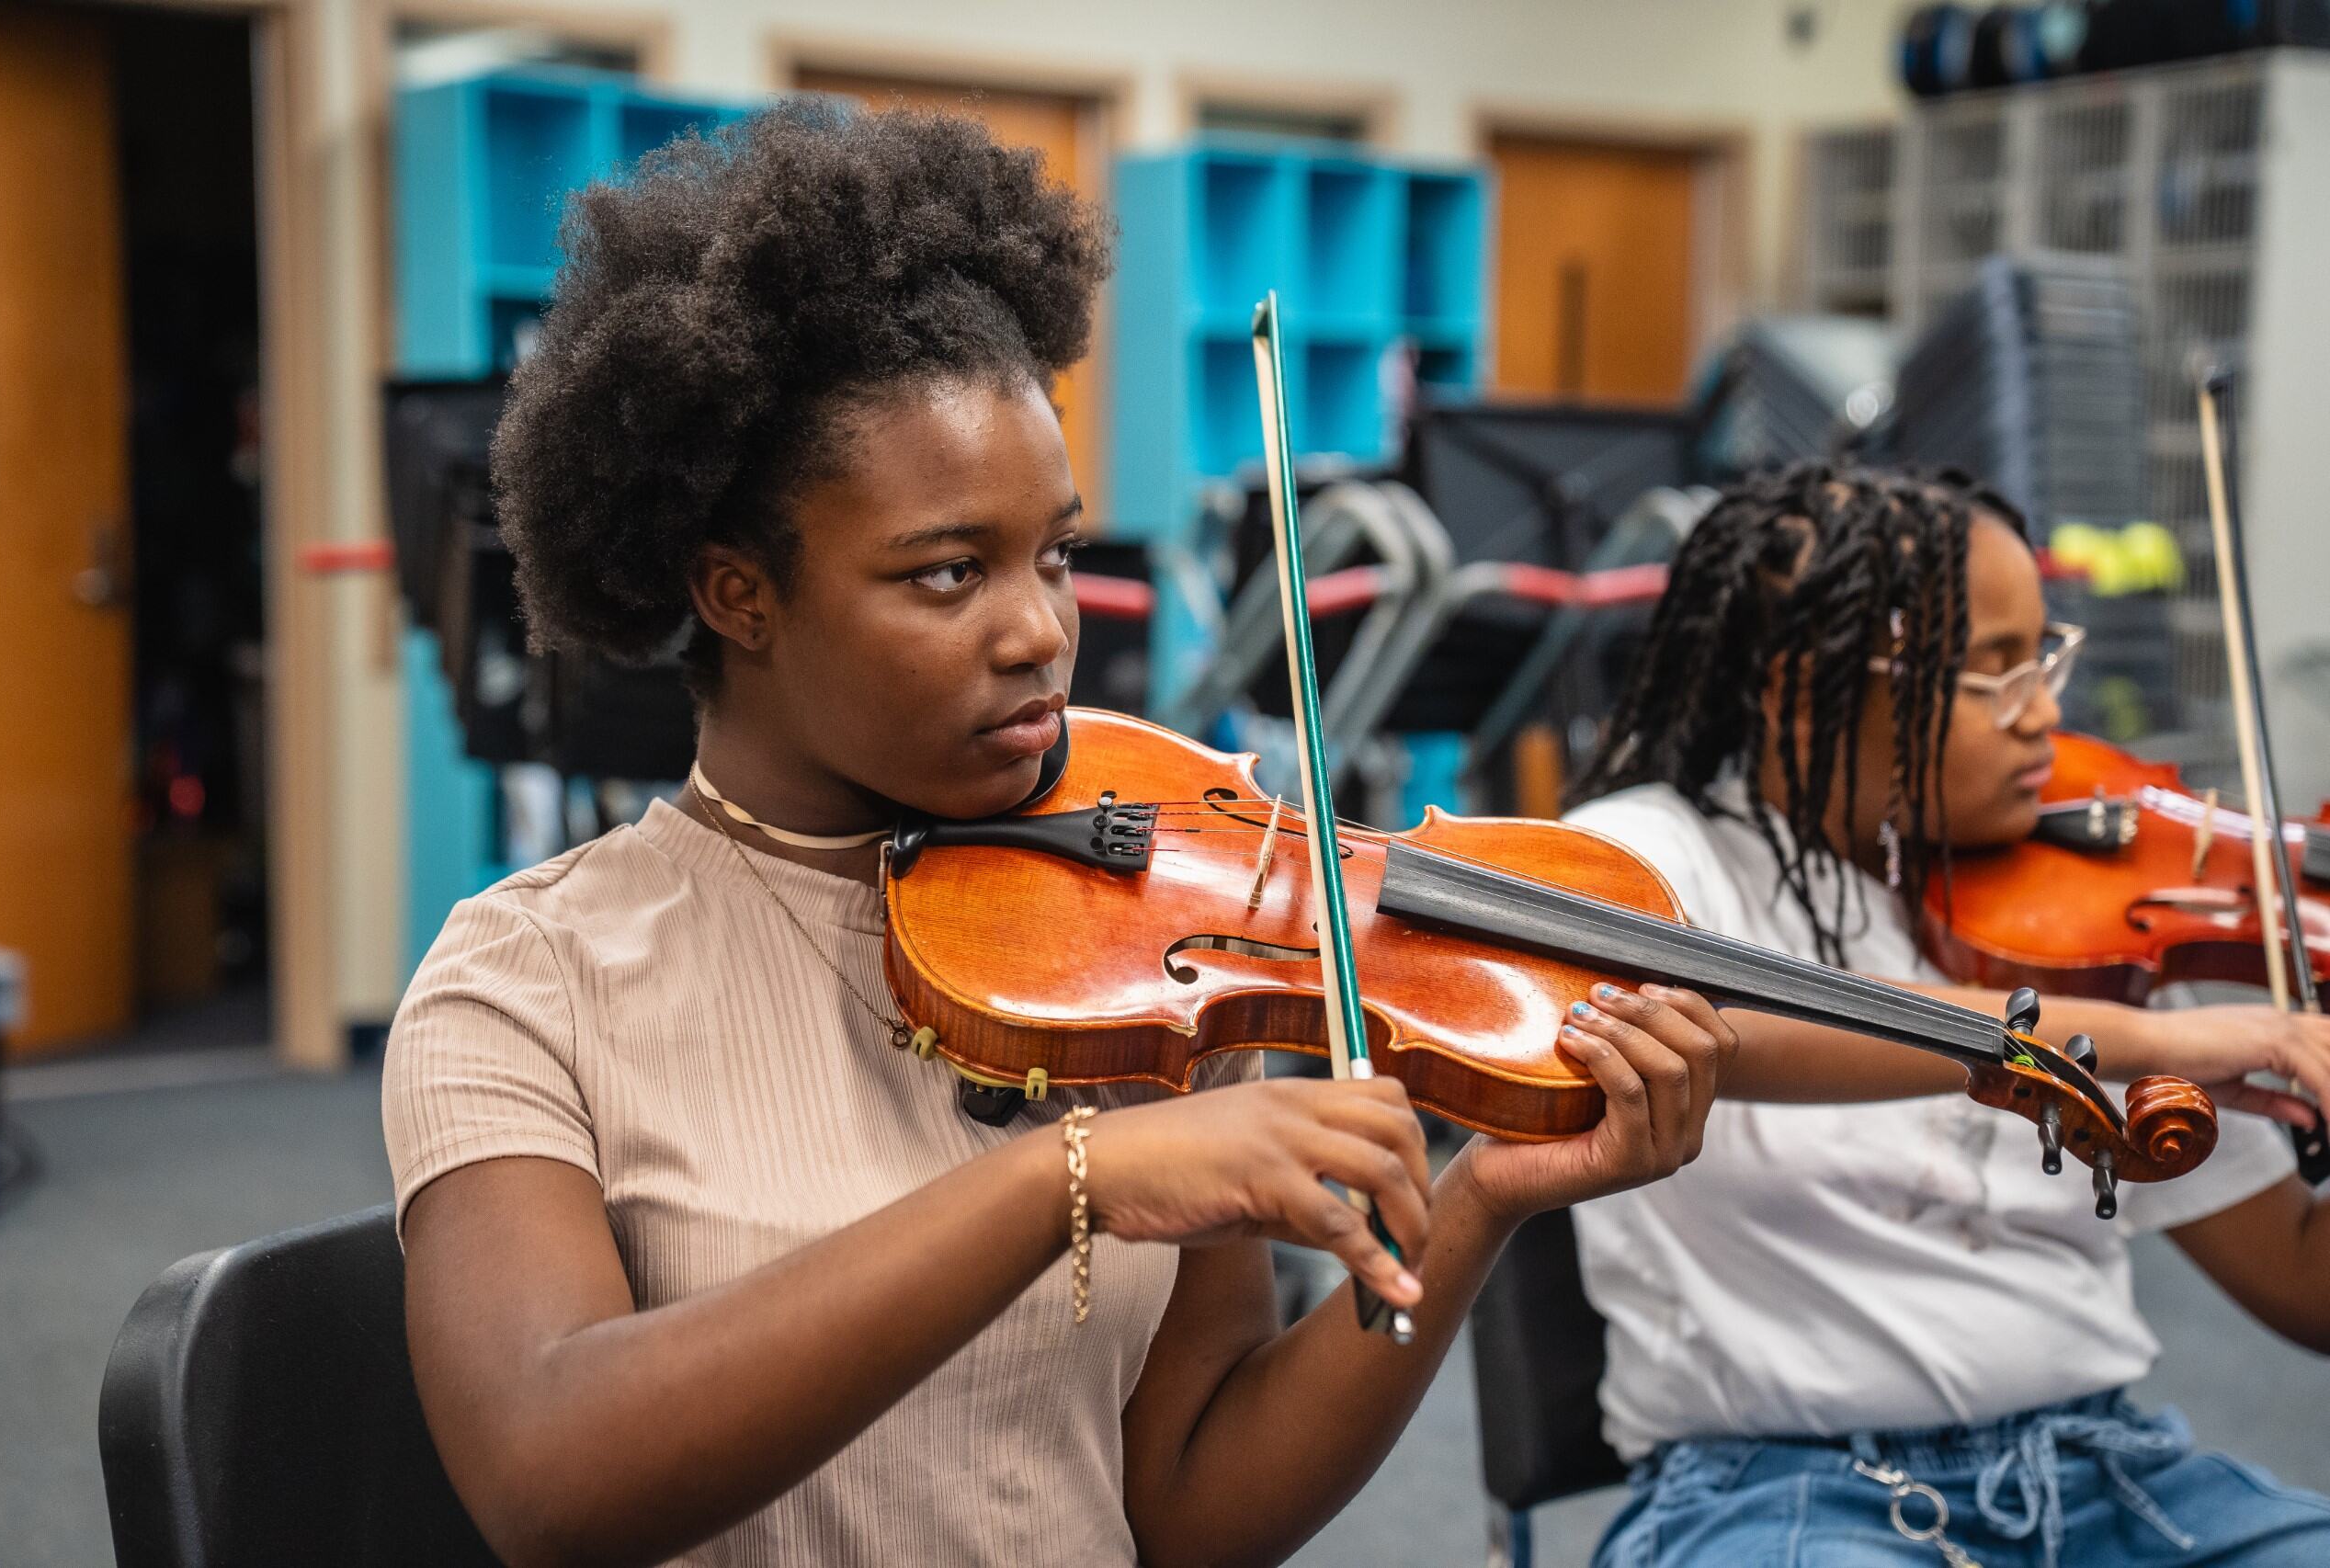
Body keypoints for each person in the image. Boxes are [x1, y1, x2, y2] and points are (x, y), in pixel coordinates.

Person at [381, 101, 1736, 1568]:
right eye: (948, 571)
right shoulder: (525, 979)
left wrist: (1479, 1203)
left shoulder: (1140, 935)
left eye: (1059, 555)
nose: (1041, 629)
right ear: (737, 592)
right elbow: (548, 1476)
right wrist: (1056, 1179)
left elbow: (1189, 1507)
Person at [1563, 461, 2330, 1568]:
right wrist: (2164, 1038)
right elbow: (1720, 1017)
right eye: (1993, 674)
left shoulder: (2094, 904)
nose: (2046, 714)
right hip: (1784, 1494)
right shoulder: (1646, 854)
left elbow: (2300, 1281)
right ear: (1800, 685)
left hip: (2106, 1472)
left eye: (2044, 658)